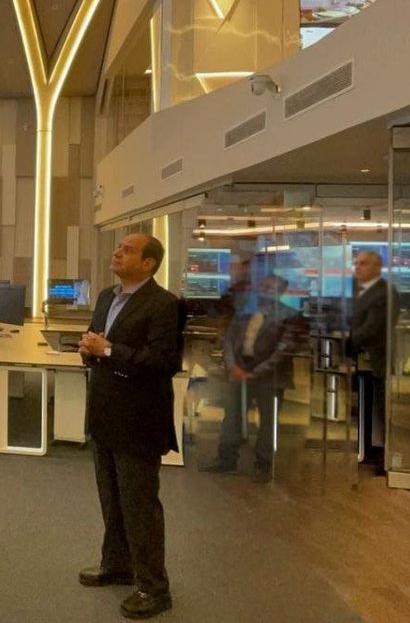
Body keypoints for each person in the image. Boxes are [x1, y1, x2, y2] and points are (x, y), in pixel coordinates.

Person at [77, 233, 181, 620]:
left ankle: (154, 588)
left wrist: (107, 350)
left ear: (149, 263)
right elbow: (98, 346)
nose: (117, 253)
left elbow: (163, 362)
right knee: (112, 500)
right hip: (104, 415)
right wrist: (89, 350)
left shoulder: (165, 304)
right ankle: (117, 564)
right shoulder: (107, 297)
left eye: (128, 250)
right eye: (118, 247)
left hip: (139, 421)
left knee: (140, 507)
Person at [201, 275, 300, 483]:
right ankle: (226, 459)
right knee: (232, 416)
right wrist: (233, 366)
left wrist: (258, 371)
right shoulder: (245, 310)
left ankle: (264, 465)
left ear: (282, 291)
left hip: (270, 376)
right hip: (239, 370)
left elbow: (285, 349)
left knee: (268, 422)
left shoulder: (289, 314)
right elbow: (229, 339)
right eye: (264, 285)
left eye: (271, 287)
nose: (265, 290)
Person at [349, 249, 396, 475]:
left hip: (377, 360)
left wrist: (345, 338)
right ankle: (367, 450)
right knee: (367, 407)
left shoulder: (385, 292)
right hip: (361, 360)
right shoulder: (356, 290)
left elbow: (373, 327)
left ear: (378, 267)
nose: (358, 267)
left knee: (381, 409)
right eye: (357, 263)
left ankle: (383, 457)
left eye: (364, 263)